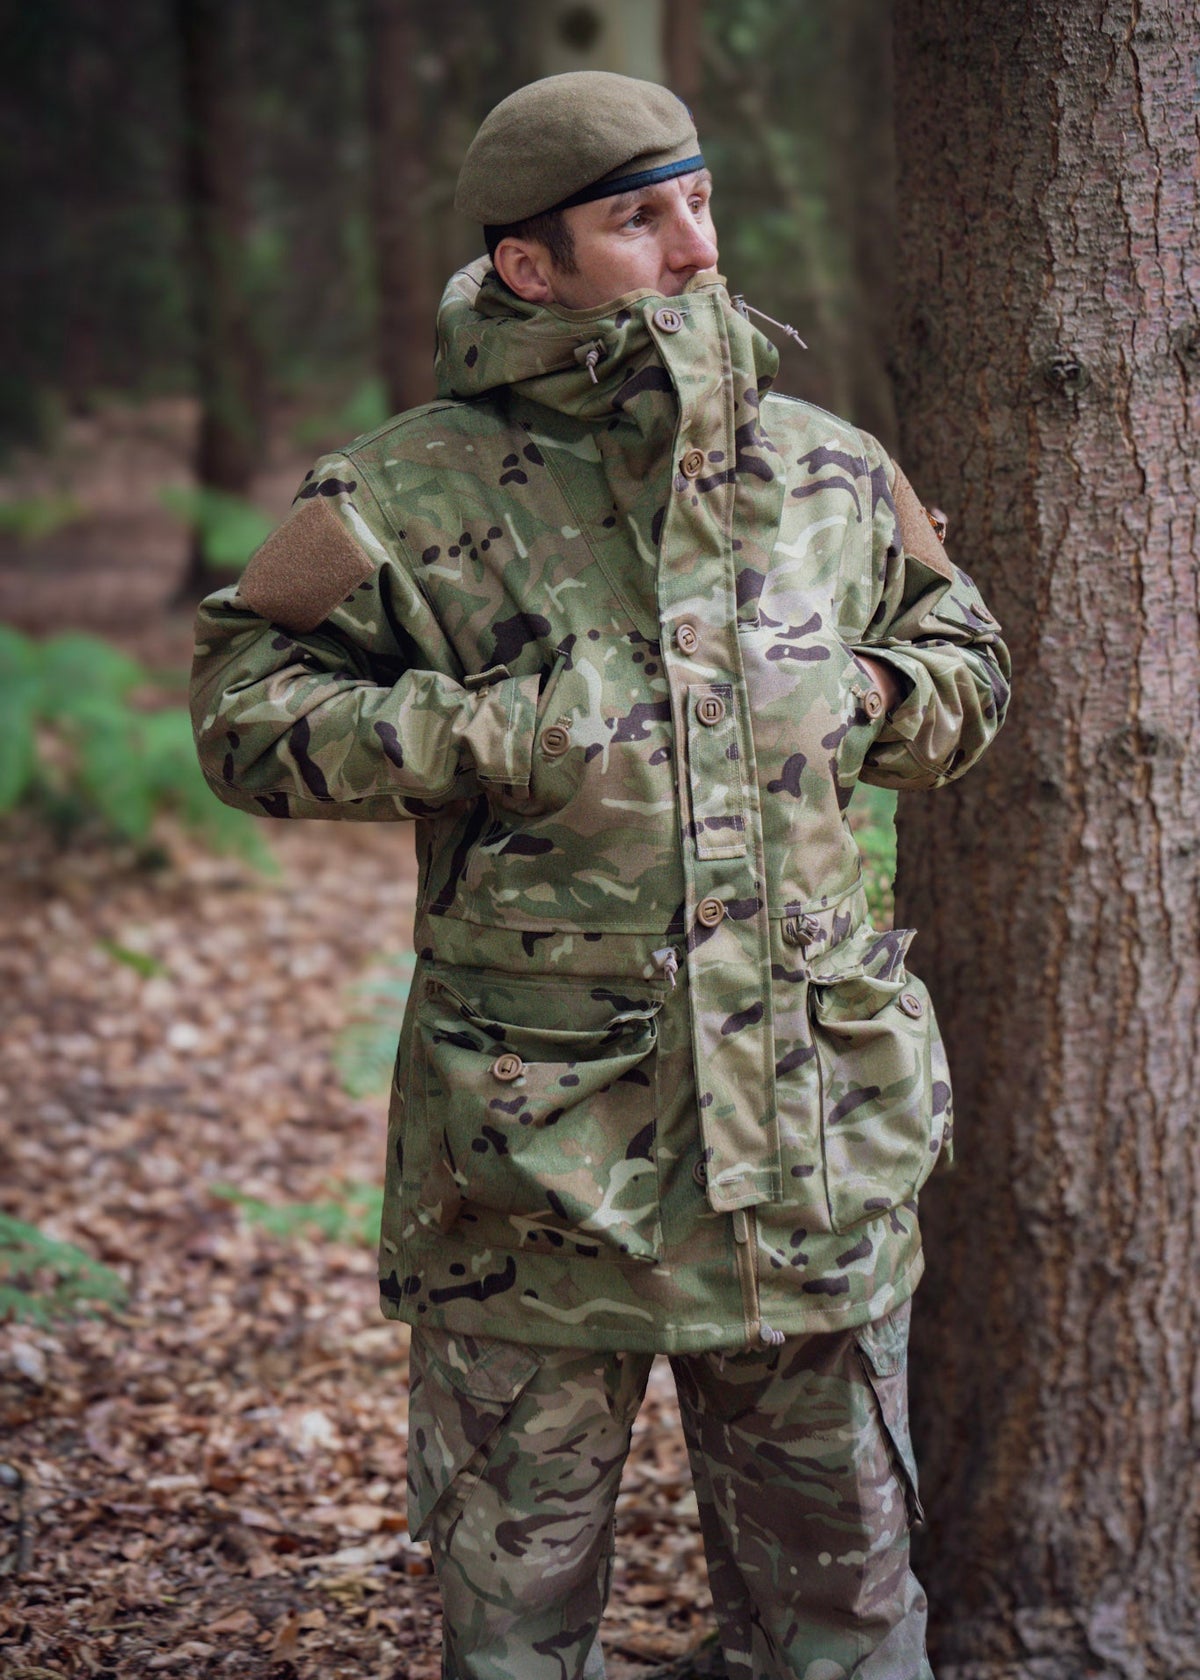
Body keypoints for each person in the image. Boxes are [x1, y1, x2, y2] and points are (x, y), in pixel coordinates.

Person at [191, 70, 1010, 1680]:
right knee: (517, 1618)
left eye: (699, 202)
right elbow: (245, 714)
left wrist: (869, 693)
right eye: (639, 219)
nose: (697, 249)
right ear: (530, 267)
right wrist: (510, 730)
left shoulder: (826, 471)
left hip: (806, 1147)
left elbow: (962, 648)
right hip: (533, 1170)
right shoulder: (401, 494)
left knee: (845, 1615)